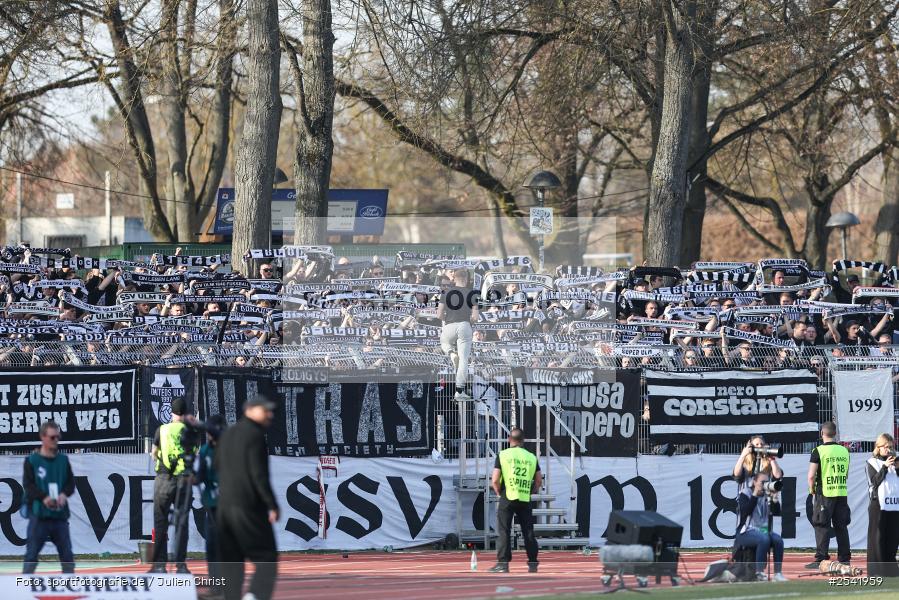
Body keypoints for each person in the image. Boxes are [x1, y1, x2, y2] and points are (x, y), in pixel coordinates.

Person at [216, 394, 279, 600]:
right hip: (248, 506)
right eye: (265, 410)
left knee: (231, 561)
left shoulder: (227, 434)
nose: (269, 414)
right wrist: (271, 504)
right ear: (250, 411)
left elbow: (217, 466)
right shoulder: (255, 435)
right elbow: (259, 474)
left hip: (224, 507)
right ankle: (255, 595)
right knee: (266, 556)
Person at [149, 397, 200, 574]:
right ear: (186, 413)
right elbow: (195, 453)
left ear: (171, 412)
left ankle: (160, 565)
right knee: (182, 523)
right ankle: (180, 565)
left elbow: (154, 453)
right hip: (184, 480)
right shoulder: (192, 431)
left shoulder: (162, 430)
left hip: (164, 478)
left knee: (161, 521)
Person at [22, 421, 76, 574]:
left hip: (59, 517)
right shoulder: (32, 461)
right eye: (52, 437)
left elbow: (71, 484)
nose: (56, 440)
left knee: (67, 558)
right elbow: (28, 486)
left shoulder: (63, 460)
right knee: (31, 557)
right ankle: (23, 592)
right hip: (39, 516)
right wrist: (44, 497)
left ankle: (70, 592)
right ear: (43, 437)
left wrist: (64, 495)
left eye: (58, 437)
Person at [489, 427, 541, 573]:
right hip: (525, 496)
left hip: (508, 495)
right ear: (523, 441)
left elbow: (494, 480)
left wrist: (499, 493)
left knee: (504, 530)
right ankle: (533, 562)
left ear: (509, 439)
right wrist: (530, 492)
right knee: (528, 531)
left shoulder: (503, 454)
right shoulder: (531, 457)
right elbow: (538, 481)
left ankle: (503, 564)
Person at [807, 421, 851, 569]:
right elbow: (846, 472)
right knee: (841, 526)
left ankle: (821, 559)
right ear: (835, 433)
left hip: (824, 493)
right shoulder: (844, 451)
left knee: (821, 525)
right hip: (841, 491)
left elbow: (811, 476)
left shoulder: (818, 451)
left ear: (822, 433)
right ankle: (844, 559)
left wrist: (811, 489)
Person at [735, 472, 788, 581]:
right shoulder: (745, 493)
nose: (765, 484)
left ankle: (778, 573)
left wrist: (774, 499)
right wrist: (754, 494)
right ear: (754, 482)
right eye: (762, 482)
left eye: (767, 482)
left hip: (763, 530)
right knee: (763, 539)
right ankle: (759, 572)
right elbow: (745, 512)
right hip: (746, 531)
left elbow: (777, 512)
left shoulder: (767, 494)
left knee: (778, 540)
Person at [196, 415, 227, 593]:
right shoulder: (205, 450)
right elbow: (200, 476)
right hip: (211, 504)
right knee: (211, 545)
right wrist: (191, 478)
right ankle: (215, 583)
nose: (208, 435)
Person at [437, 268, 478, 399]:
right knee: (464, 359)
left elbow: (439, 315)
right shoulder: (472, 294)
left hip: (449, 326)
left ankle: (450, 352)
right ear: (466, 280)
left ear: (454, 279)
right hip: (464, 325)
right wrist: (469, 321)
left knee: (444, 342)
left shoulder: (446, 292)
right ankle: (460, 391)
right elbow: (475, 317)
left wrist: (447, 319)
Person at [865, 433, 899, 577]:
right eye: (885, 447)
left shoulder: (896, 462)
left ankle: (891, 570)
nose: (888, 450)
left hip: (895, 506)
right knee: (877, 539)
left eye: (891, 447)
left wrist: (897, 468)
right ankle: (876, 572)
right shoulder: (872, 462)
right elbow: (874, 482)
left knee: (893, 538)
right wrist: (885, 467)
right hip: (878, 506)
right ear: (878, 448)